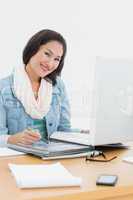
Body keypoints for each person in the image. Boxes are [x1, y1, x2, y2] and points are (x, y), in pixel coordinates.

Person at [0, 29, 72, 147]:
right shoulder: (3, 88)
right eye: (47, 54)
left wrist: (86, 135)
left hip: (52, 155)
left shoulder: (58, 86)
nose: (50, 64)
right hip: (19, 157)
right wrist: (12, 139)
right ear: (33, 49)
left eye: (57, 59)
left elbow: (64, 130)